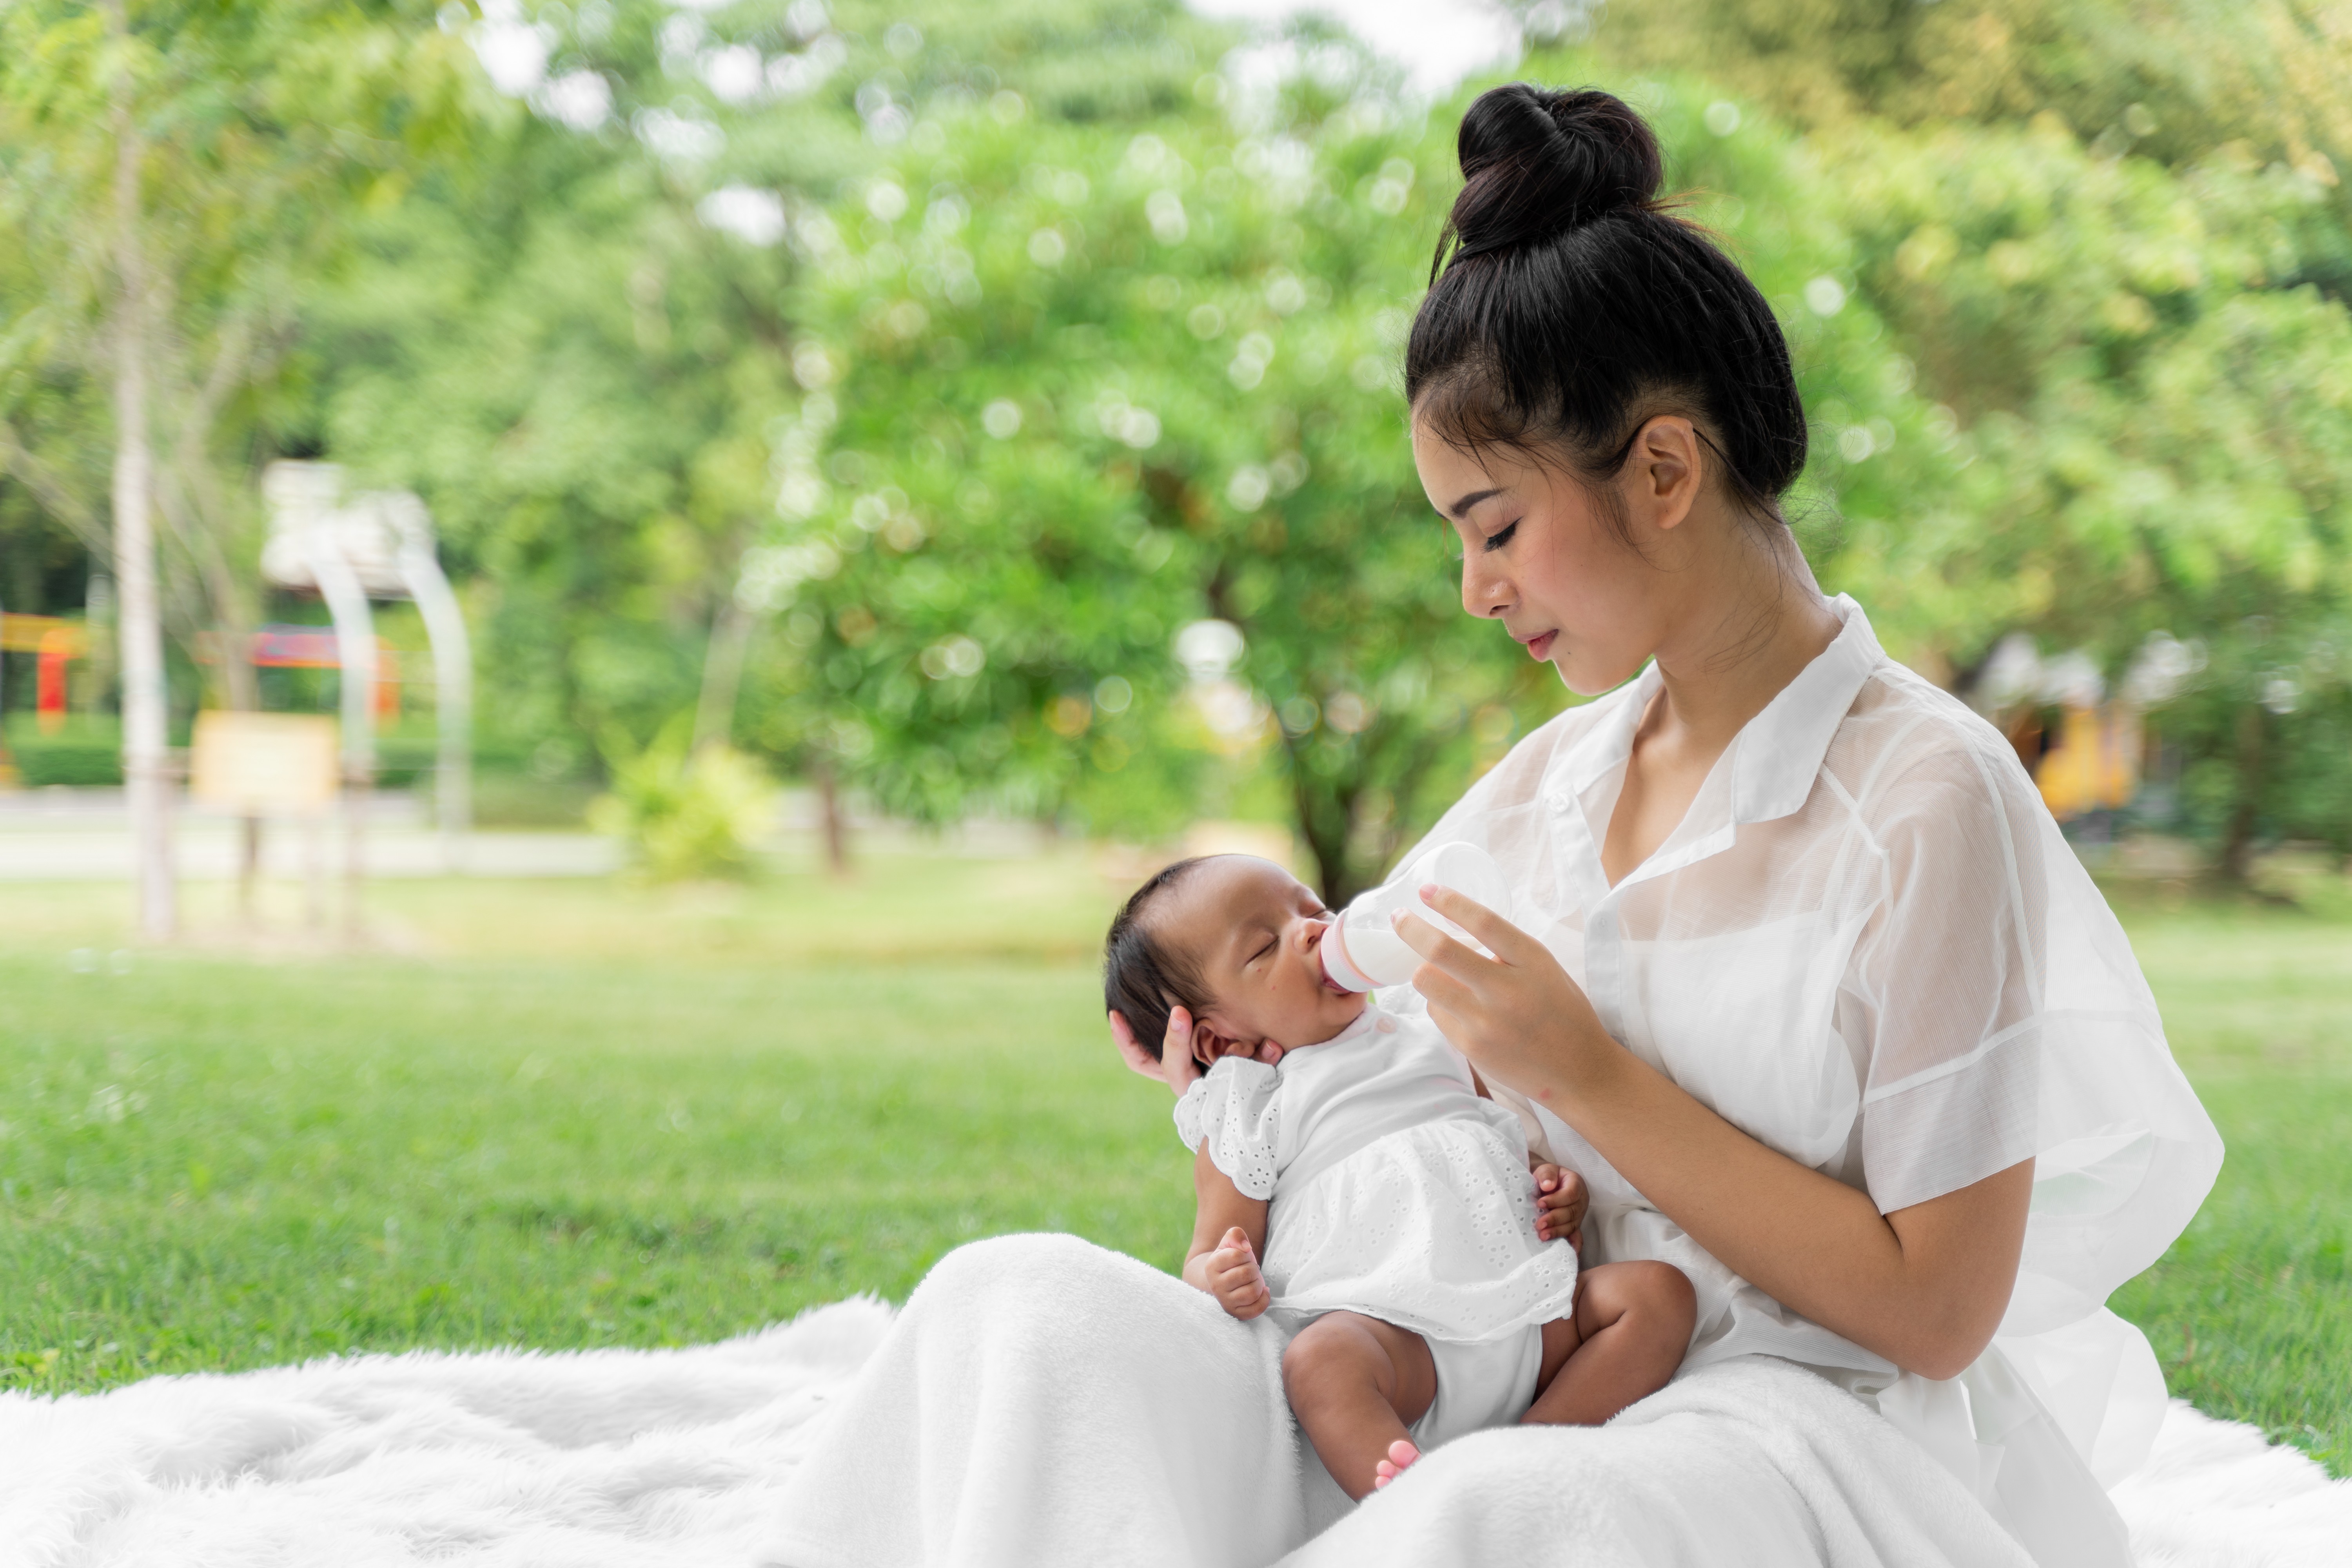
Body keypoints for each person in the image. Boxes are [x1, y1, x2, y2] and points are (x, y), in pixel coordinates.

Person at [766, 82, 2221, 1568]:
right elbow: (1338, 1024)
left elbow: (1936, 1311)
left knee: (1494, 1515)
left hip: (1774, 1418)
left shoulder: (1928, 798)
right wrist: (1213, 1056)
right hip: (1474, 1363)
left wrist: (1584, 1076)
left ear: (1662, 470)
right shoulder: (1550, 789)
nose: (1477, 591)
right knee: (1019, 1305)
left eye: (1496, 526)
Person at [1102, 852, 1696, 1498]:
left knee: (1660, 1296)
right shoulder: (1251, 1112)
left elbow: (1488, 1143)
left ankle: (1529, 1452)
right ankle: (1410, 1505)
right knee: (1320, 1363)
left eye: (1313, 910)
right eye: (1265, 946)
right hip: (1403, 1347)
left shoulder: (1429, 1033)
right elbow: (1208, 1250)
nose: (1311, 931)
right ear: (1221, 1044)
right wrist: (1218, 1276)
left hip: (1531, 1314)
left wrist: (1555, 1188)